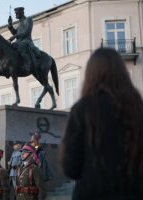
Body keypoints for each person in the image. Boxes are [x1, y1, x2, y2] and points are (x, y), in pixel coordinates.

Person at [60, 48, 143, 200]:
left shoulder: (82, 109)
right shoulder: (138, 108)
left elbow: (71, 167)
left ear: (91, 75)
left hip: (92, 193)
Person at [7, 7, 40, 73]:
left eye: (17, 13)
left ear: (21, 13)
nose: (15, 15)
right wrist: (10, 26)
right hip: (18, 42)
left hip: (26, 41)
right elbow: (15, 32)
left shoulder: (28, 19)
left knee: (21, 48)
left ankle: (28, 65)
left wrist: (14, 36)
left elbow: (26, 32)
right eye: (15, 13)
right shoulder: (19, 23)